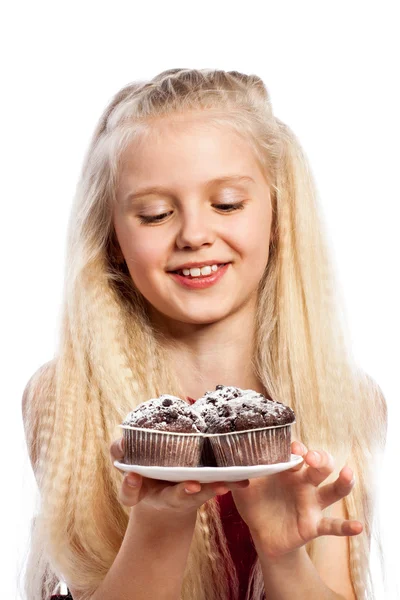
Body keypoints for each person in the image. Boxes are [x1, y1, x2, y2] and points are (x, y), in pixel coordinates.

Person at [21, 68, 387, 600]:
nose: (194, 234)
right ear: (113, 238)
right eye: (156, 214)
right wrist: (160, 521)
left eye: (227, 205)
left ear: (277, 215)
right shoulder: (67, 400)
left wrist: (283, 557)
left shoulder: (347, 401)